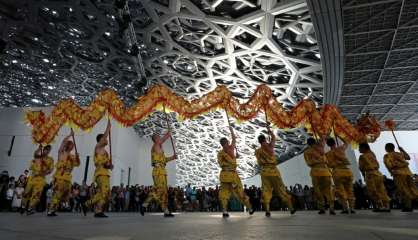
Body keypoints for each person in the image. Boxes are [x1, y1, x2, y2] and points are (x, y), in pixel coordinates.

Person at [255, 125, 296, 217]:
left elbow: (259, 162)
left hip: (265, 172)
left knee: (266, 190)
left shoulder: (257, 151)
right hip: (274, 170)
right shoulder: (271, 147)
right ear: (265, 139)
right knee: (280, 189)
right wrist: (270, 131)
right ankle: (291, 208)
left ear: (259, 142)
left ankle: (268, 210)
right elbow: (274, 138)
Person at [217, 125, 254, 218]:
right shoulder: (231, 148)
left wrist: (235, 157)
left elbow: (222, 163)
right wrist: (231, 130)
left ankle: (225, 211)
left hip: (224, 175)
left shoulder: (220, 153)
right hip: (233, 175)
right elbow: (234, 139)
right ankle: (249, 208)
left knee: (224, 193)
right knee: (240, 192)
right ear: (227, 142)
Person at [141, 131, 177, 217]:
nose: (160, 138)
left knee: (164, 192)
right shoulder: (155, 146)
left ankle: (166, 211)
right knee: (159, 190)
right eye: (158, 137)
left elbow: (164, 160)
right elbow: (162, 140)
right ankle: (144, 205)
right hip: (158, 171)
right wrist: (167, 135)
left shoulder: (160, 149)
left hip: (162, 171)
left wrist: (173, 157)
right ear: (155, 139)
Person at [47, 131, 80, 216]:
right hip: (60, 176)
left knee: (66, 194)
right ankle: (51, 210)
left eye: (72, 145)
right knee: (58, 193)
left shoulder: (72, 157)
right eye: (70, 144)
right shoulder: (61, 153)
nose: (71, 146)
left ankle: (57, 207)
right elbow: (63, 142)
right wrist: (69, 135)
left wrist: (78, 157)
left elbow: (77, 164)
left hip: (68, 178)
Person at [303, 136, 335, 215]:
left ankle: (322, 208)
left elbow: (309, 163)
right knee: (329, 191)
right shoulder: (321, 148)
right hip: (325, 171)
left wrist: (315, 161)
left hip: (316, 172)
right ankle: (331, 208)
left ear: (308, 144)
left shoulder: (307, 152)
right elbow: (323, 138)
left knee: (318, 191)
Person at [383, 143, 418, 212]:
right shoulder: (400, 153)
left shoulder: (387, 156)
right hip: (408, 173)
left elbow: (389, 165)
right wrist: (402, 150)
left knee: (403, 190)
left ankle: (408, 206)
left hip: (398, 174)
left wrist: (391, 173)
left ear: (387, 148)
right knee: (412, 188)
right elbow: (408, 157)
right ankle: (414, 201)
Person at [21, 145, 54, 215]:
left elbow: (51, 169)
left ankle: (30, 208)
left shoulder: (50, 159)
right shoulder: (38, 156)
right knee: (26, 192)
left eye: (49, 150)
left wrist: (44, 173)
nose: (47, 151)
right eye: (46, 149)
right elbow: (35, 154)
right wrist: (39, 149)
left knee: (37, 195)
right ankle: (23, 206)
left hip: (41, 179)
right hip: (33, 178)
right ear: (44, 149)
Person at [325, 138, 355, 214]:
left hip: (337, 171)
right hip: (347, 170)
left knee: (341, 191)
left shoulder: (328, 154)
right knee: (349, 190)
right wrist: (339, 135)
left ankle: (345, 208)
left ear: (328, 144)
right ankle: (352, 208)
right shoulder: (341, 148)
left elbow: (328, 165)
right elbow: (347, 142)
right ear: (335, 142)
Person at [358, 143, 390, 212]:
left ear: (363, 148)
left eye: (360, 148)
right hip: (378, 173)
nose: (359, 149)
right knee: (381, 190)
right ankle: (386, 206)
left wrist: (364, 176)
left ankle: (380, 206)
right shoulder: (372, 154)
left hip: (370, 174)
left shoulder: (362, 156)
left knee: (373, 191)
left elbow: (361, 168)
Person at [91, 119, 113, 217]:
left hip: (105, 173)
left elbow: (107, 164)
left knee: (101, 193)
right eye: (104, 138)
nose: (106, 140)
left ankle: (95, 209)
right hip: (101, 173)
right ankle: (98, 210)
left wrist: (110, 165)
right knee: (106, 192)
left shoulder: (105, 151)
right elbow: (104, 137)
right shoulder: (98, 147)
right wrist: (108, 127)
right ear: (100, 140)